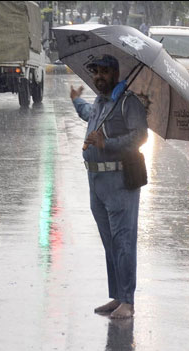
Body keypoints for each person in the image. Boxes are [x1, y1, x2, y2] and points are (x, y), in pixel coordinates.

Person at [69, 55, 148, 320]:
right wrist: (75, 100)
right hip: (96, 183)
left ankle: (128, 301)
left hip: (119, 181)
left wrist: (107, 144)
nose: (99, 76)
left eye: (104, 72)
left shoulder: (127, 102)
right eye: (96, 72)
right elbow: (87, 114)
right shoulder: (101, 102)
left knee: (123, 241)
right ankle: (116, 295)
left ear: (115, 74)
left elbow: (140, 136)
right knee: (110, 243)